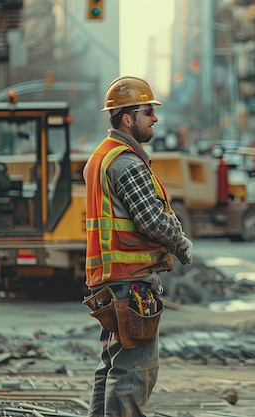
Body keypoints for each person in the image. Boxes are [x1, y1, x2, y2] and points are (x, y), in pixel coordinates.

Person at [83, 75, 193, 417]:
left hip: (108, 280)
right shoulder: (127, 163)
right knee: (134, 374)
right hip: (130, 280)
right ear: (127, 118)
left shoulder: (101, 157)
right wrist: (180, 241)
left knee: (112, 368)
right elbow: (153, 222)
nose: (155, 117)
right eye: (148, 111)